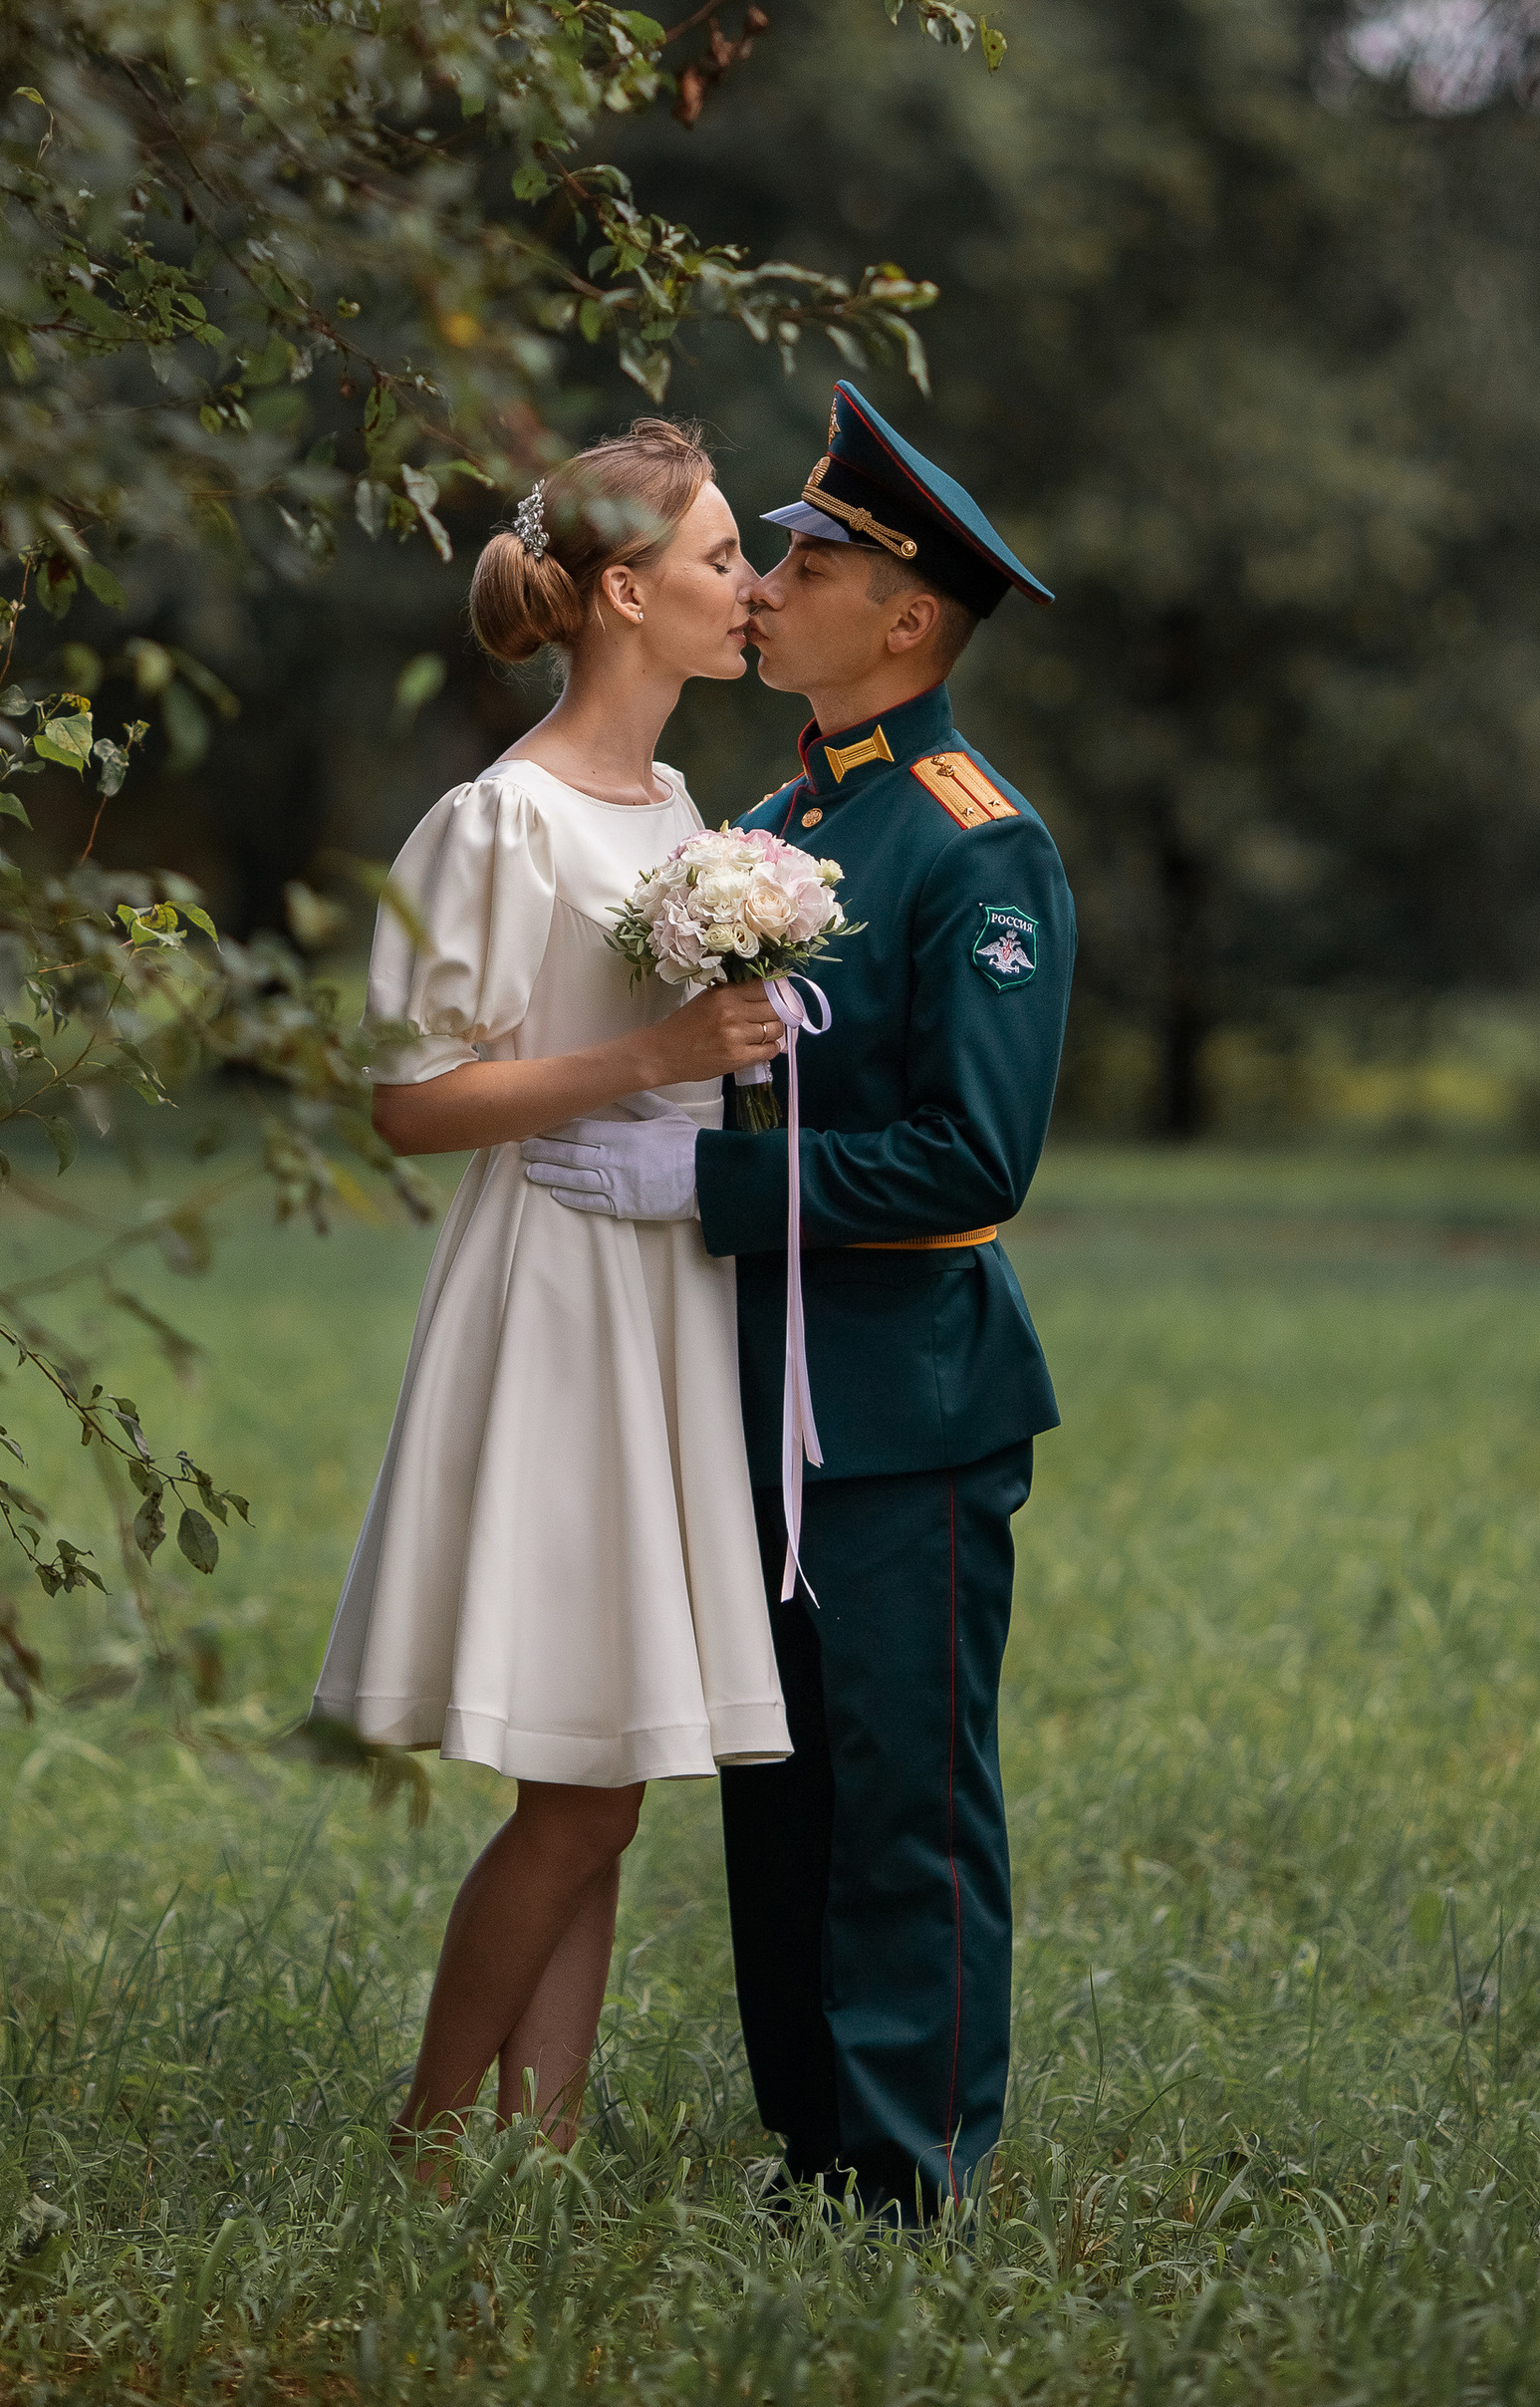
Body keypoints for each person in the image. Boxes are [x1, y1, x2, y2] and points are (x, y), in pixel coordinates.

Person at [528, 380, 1074, 2222]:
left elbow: (969, 1160)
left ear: (908, 617)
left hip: (905, 1403)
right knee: (784, 1800)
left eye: (810, 558)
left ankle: (908, 2176)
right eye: (771, 549)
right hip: (746, 1392)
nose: (766, 582)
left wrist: (710, 1186)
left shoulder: (976, 844)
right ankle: (813, 2152)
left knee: (904, 1801)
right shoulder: (769, 821)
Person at [313, 418, 791, 2176]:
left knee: (607, 1776)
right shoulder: (496, 822)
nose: (753, 588)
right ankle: (435, 2142)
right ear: (620, 590)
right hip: (560, 1303)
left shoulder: (677, 810)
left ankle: (547, 2145)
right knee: (584, 1782)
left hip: (667, 1285)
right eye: (724, 559)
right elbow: (409, 1099)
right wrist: (654, 1054)